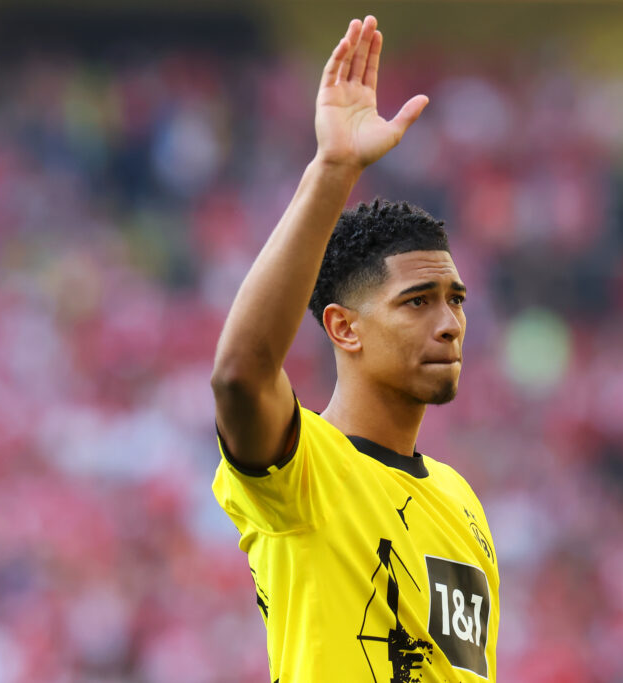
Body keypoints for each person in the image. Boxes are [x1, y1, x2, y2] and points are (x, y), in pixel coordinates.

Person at [210, 15, 499, 682]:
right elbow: (239, 377)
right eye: (417, 301)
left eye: (455, 299)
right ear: (343, 327)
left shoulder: (461, 500)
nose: (450, 322)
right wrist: (334, 167)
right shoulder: (302, 470)